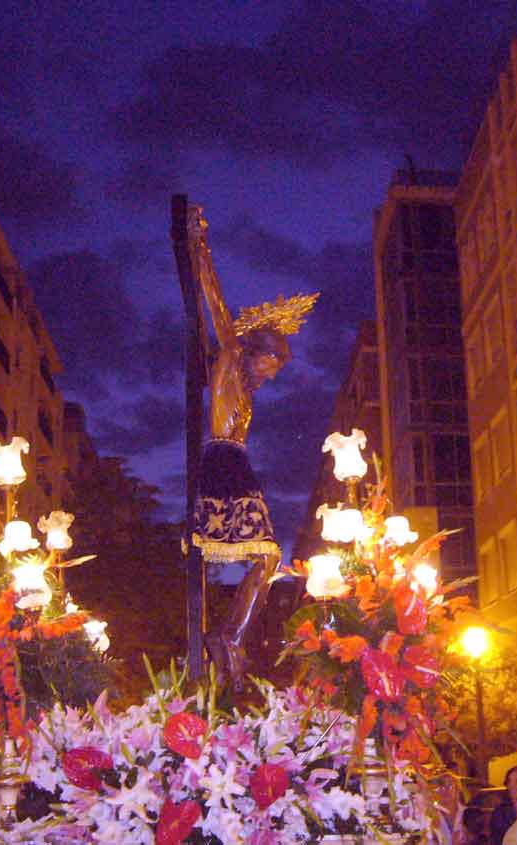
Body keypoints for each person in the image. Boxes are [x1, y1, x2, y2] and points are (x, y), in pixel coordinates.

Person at [186, 205, 317, 684]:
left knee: (267, 558)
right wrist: (201, 248)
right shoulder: (229, 359)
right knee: (266, 556)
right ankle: (228, 637)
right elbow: (218, 309)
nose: (273, 372)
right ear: (254, 350)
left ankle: (230, 636)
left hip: (233, 464)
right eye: (272, 361)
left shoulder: (240, 390)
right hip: (224, 462)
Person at [430, 771, 465, 845]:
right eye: (441, 786)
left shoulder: (466, 813)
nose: (446, 790)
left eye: (450, 786)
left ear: (457, 789)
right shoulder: (431, 815)